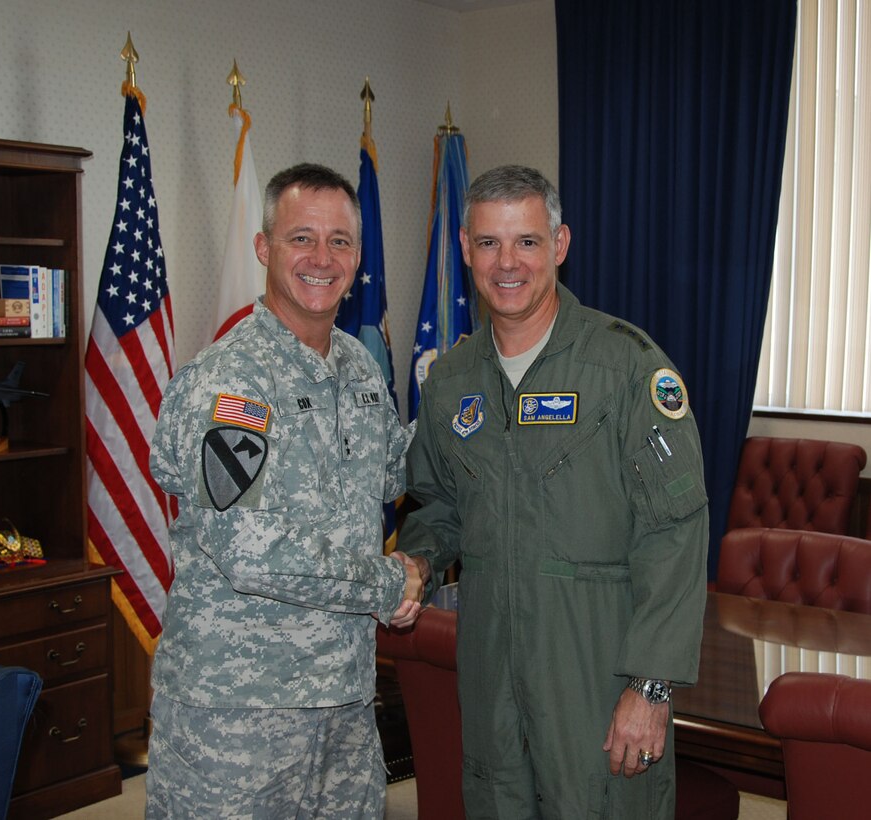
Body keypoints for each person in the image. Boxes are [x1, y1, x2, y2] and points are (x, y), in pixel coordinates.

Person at [399, 165, 708, 818]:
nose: (506, 263)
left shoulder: (625, 366)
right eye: (488, 243)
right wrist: (418, 561)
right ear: (464, 248)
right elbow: (437, 503)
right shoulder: (451, 379)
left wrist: (650, 687)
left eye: (527, 242)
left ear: (560, 244)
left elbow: (674, 528)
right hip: (489, 672)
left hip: (595, 673)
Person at [146, 163, 423, 818]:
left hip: (344, 706)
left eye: (339, 241)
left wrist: (470, 415)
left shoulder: (357, 363)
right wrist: (387, 583)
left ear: (357, 255)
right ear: (265, 248)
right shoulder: (230, 380)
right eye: (301, 238)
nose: (322, 259)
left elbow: (395, 469)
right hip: (236, 720)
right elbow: (250, 548)